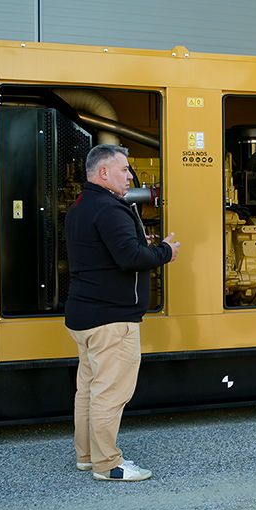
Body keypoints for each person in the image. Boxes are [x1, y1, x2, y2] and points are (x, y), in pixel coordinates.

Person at [65, 143, 180, 481]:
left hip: (84, 317)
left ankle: (87, 456)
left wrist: (138, 243)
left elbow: (109, 251)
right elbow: (130, 258)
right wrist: (164, 251)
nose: (130, 175)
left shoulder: (81, 206)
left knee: (88, 390)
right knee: (111, 394)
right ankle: (107, 465)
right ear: (104, 173)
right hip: (111, 321)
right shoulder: (110, 209)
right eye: (124, 169)